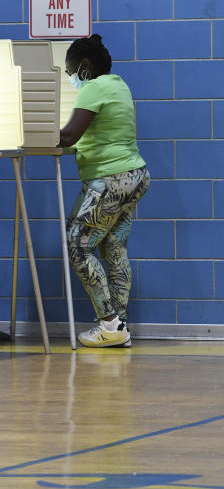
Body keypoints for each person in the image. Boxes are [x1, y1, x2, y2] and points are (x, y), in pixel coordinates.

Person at [58, 34, 149, 348]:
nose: (71, 79)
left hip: (109, 182)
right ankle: (119, 328)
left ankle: (109, 324)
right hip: (134, 177)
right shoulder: (118, 85)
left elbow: (69, 135)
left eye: (71, 73)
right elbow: (97, 138)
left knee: (77, 245)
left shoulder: (93, 87)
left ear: (85, 66)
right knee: (114, 248)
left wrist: (32, 132)